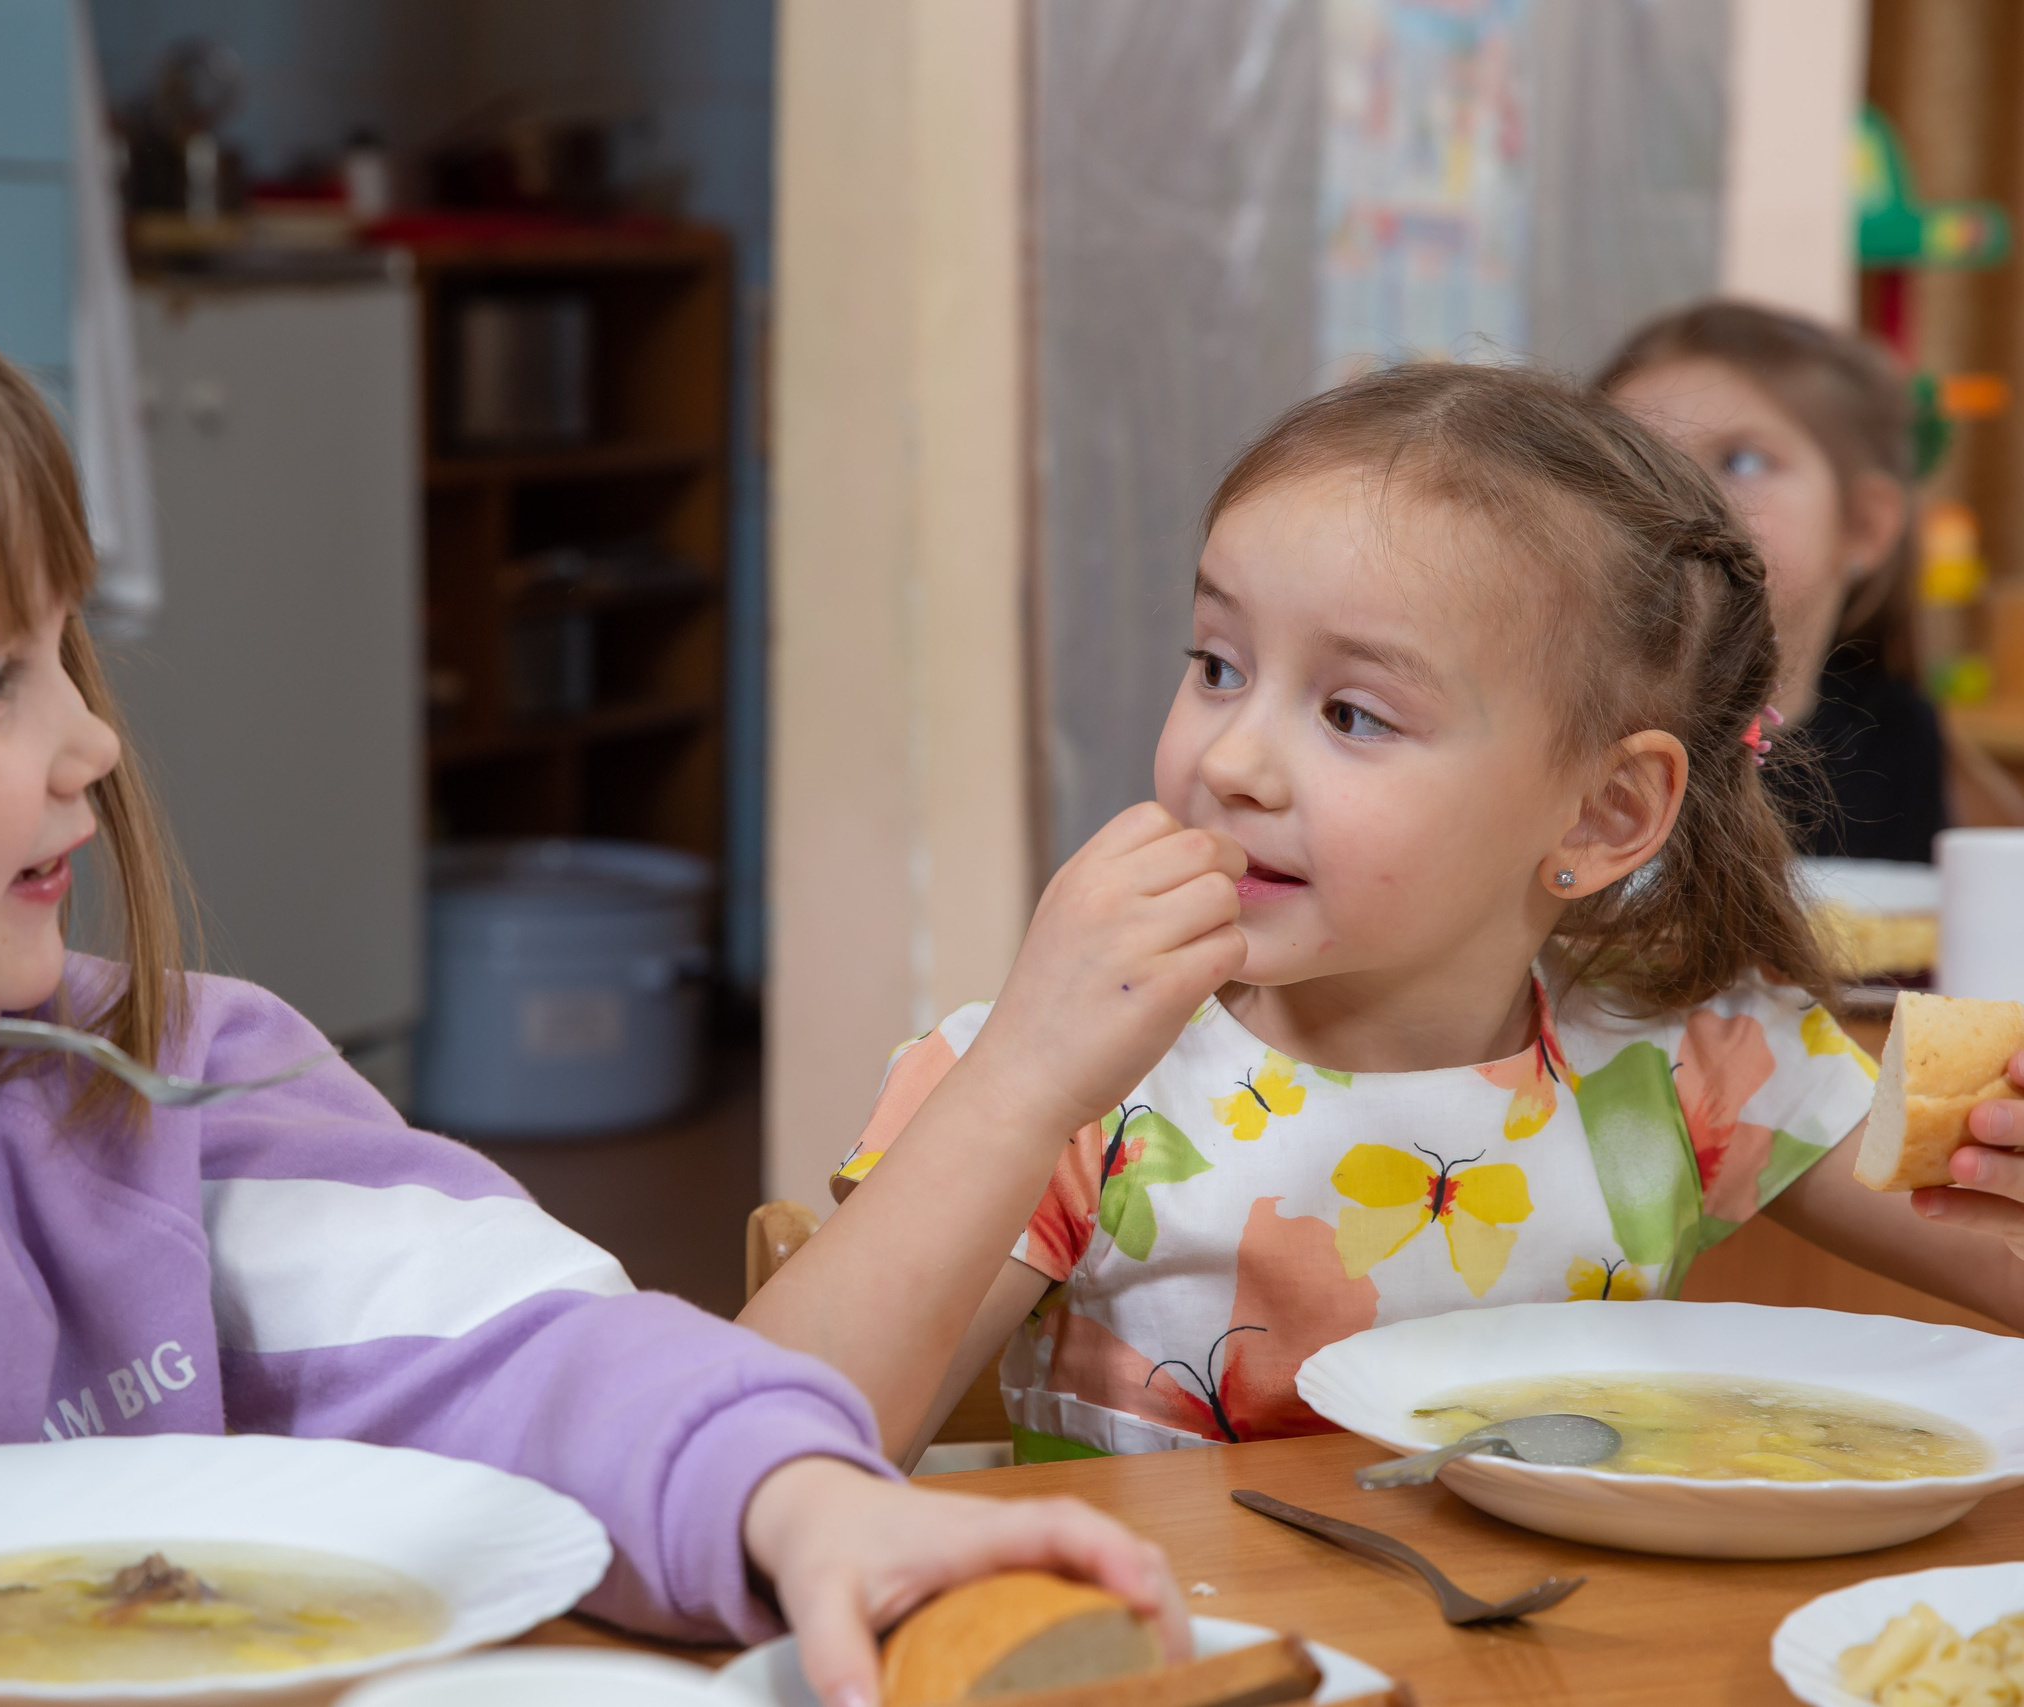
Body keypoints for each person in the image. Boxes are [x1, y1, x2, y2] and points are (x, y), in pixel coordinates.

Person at [0, 183, 1178, 1706]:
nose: (90, 743)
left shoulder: (172, 1088)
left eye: (69, 651)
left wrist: (802, 1499)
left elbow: (527, 1349)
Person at [739, 362, 2024, 1469]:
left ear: (1600, 815)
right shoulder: (1072, 1083)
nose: (1232, 759)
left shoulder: (1695, 1062)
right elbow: (750, 1452)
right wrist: (1017, 1079)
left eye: (1351, 713)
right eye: (1216, 665)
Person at [1599, 301, 1937, 863]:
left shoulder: (1897, 732)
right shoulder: (1563, 720)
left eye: (1743, 462)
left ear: (1864, 527)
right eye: (1636, 460)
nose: (1676, 495)